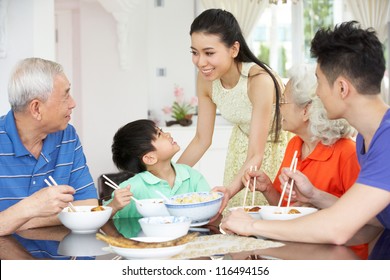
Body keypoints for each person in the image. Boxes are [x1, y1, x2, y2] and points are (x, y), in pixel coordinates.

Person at [221, 21, 390, 244]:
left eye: (319, 81)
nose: (317, 93)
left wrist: (250, 225)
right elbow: (373, 222)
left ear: (341, 88)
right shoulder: (366, 138)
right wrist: (315, 196)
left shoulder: (386, 140)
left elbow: (337, 229)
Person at [177, 8, 290, 210]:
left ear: (234, 49)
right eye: (195, 53)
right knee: (234, 218)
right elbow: (202, 139)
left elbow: (257, 153)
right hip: (240, 149)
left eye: (209, 53)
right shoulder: (206, 80)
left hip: (274, 149)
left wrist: (230, 189)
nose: (200, 62)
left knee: (267, 219)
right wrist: (170, 177)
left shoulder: (259, 81)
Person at [0, 57, 98, 237]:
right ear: (36, 108)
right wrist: (32, 206)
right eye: (65, 95)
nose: (73, 103)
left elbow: (89, 204)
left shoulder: (67, 136)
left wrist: (20, 222)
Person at [242, 63, 359, 209]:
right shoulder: (295, 145)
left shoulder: (348, 153)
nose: (279, 107)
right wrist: (267, 188)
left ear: (306, 111)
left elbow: (361, 217)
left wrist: (315, 201)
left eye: (283, 101)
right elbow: (284, 209)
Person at [105, 119, 211, 218]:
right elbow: (102, 217)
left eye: (162, 131)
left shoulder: (191, 176)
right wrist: (114, 206)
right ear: (150, 158)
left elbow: (209, 208)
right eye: (159, 134)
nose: (168, 134)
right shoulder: (132, 189)